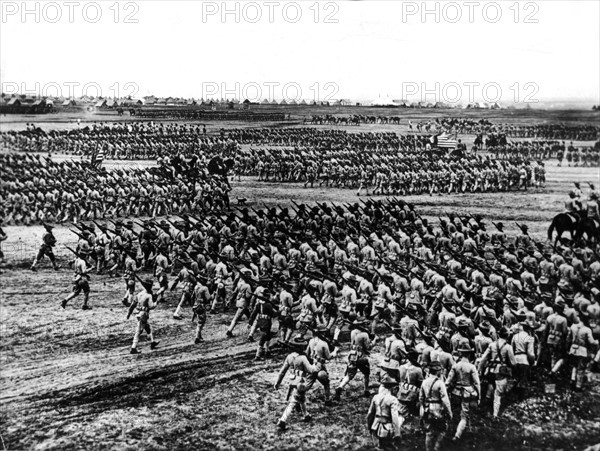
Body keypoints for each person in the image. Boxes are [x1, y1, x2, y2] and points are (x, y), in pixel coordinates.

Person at [274, 337, 317, 430]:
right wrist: (315, 364)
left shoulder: (289, 357)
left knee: (301, 398)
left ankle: (306, 415)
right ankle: (282, 420)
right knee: (293, 402)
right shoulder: (302, 358)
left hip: (292, 381)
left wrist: (277, 382)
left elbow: (282, 371)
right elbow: (311, 370)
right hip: (300, 382)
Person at [446, 343, 480, 442]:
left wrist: (445, 392)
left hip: (455, 392)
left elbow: (448, 381)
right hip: (467, 393)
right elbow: (477, 383)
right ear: (469, 354)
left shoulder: (455, 366)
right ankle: (457, 435)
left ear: (460, 354)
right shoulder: (472, 367)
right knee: (465, 414)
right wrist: (479, 396)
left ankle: (450, 430)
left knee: (454, 412)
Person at [478, 326, 516, 418]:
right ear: (507, 336)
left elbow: (483, 359)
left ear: (499, 335)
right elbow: (513, 362)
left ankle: (485, 408)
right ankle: (495, 415)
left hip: (491, 369)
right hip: (501, 371)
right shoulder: (508, 347)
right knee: (498, 394)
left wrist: (479, 369)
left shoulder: (492, 345)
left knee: (490, 388)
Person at [335, 317, 372, 399]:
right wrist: (374, 342)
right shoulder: (364, 334)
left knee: (349, 375)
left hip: (352, 355)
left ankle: (340, 387)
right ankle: (366, 390)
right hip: (361, 356)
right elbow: (368, 347)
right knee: (366, 373)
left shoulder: (353, 332)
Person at [420, 361, 453, 451]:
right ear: (438, 371)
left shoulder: (424, 382)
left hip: (427, 409)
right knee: (443, 429)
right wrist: (449, 413)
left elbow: (421, 398)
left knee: (429, 432)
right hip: (438, 409)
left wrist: (423, 408)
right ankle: (436, 448)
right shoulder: (440, 383)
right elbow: (445, 400)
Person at [366, 373, 402, 451]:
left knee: (378, 447)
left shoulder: (376, 397)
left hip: (375, 426)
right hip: (387, 428)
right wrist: (397, 434)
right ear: (392, 388)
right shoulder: (393, 399)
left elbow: (369, 414)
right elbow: (395, 418)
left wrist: (370, 427)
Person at [128, 278, 159, 354]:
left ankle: (152, 342)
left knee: (148, 328)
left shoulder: (140, 294)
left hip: (139, 313)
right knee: (138, 331)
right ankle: (133, 347)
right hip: (144, 314)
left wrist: (129, 313)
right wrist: (156, 302)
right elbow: (151, 306)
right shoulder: (148, 295)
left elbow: (133, 304)